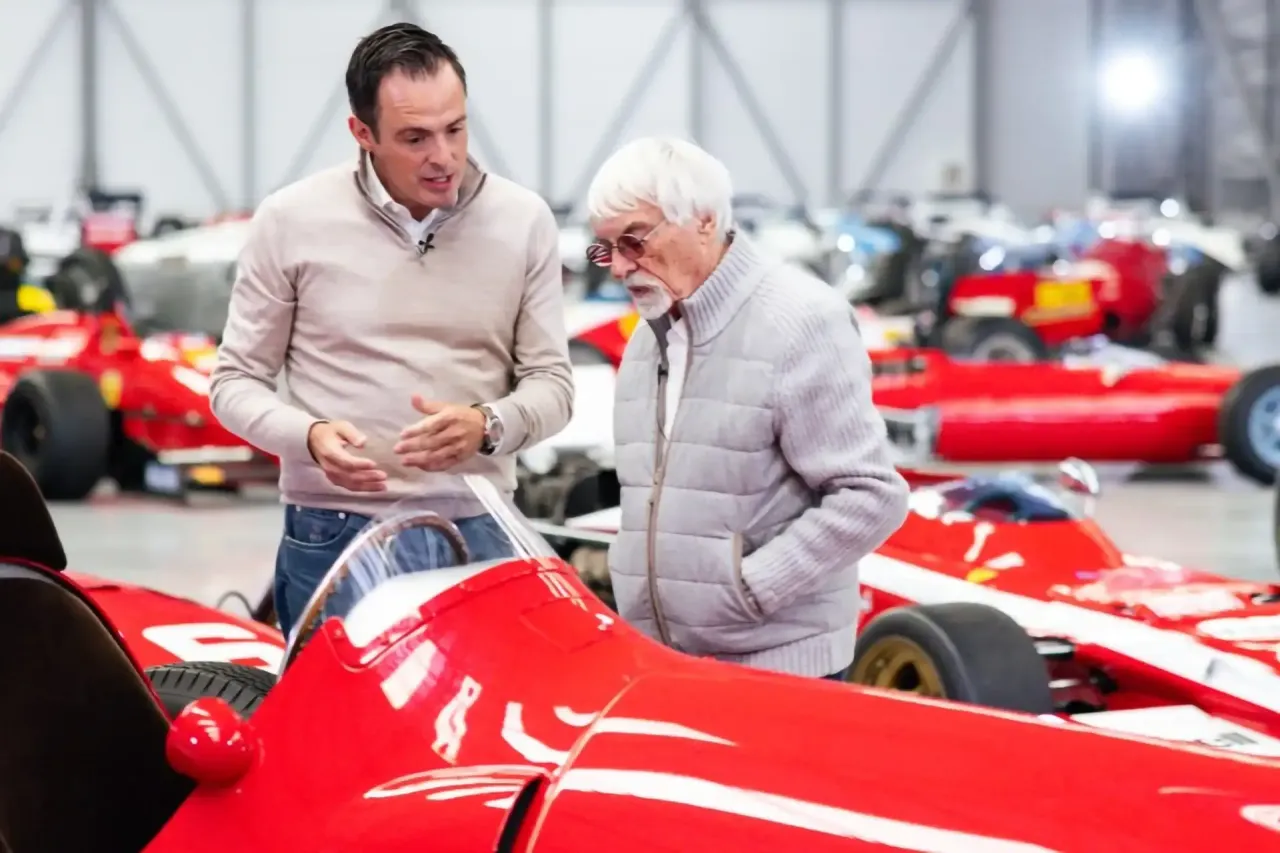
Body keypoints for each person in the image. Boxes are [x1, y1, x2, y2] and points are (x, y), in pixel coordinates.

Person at [209, 23, 574, 639]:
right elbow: (233, 384)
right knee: (340, 706)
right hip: (335, 528)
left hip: (483, 526)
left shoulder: (523, 221)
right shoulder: (291, 221)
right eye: (415, 137)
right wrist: (309, 437)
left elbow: (553, 386)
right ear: (363, 134)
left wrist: (488, 424)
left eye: (455, 128)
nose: (444, 156)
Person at [584, 137, 909, 680]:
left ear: (705, 221)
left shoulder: (800, 321)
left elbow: (871, 495)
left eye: (634, 241)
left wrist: (750, 590)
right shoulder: (647, 340)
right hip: (663, 662)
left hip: (779, 671)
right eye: (605, 248)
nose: (618, 267)